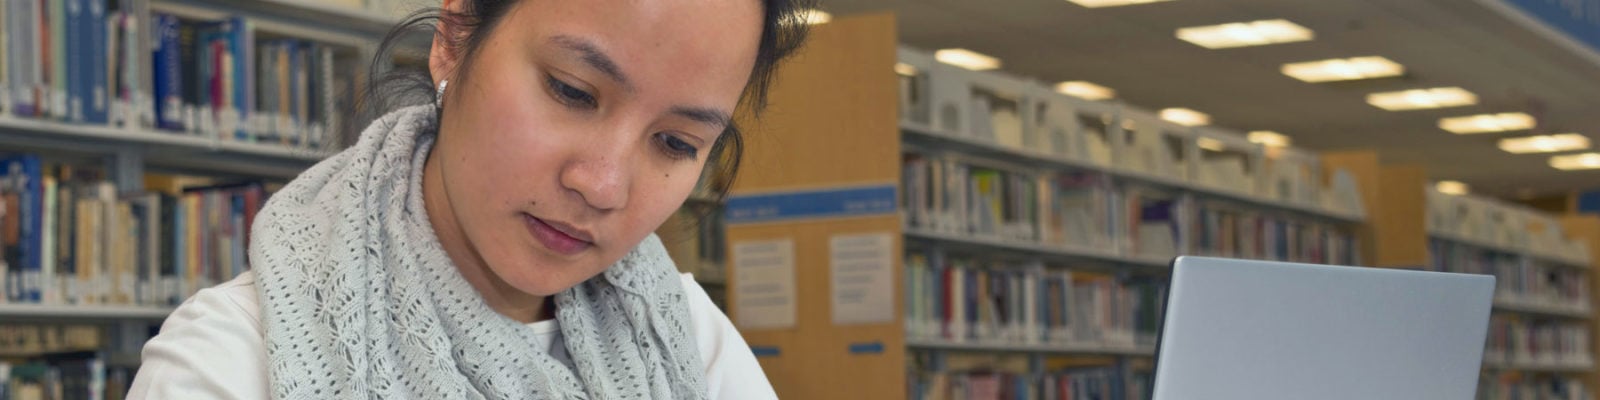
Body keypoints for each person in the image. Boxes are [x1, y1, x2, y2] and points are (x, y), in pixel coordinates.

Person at [126, 0, 813, 398]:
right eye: (572, 92)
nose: (602, 185)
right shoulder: (229, 362)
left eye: (675, 144)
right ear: (454, 38)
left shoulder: (690, 338)